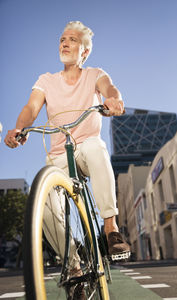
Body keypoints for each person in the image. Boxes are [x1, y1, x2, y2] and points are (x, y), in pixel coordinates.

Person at [4, 21, 130, 258]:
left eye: (72, 40)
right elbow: (31, 108)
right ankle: (72, 263)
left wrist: (113, 100)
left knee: (95, 147)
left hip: (86, 148)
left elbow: (110, 89)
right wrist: (20, 128)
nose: (65, 43)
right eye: (62, 39)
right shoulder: (46, 81)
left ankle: (111, 229)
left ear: (85, 51)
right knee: (43, 197)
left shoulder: (94, 74)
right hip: (59, 156)